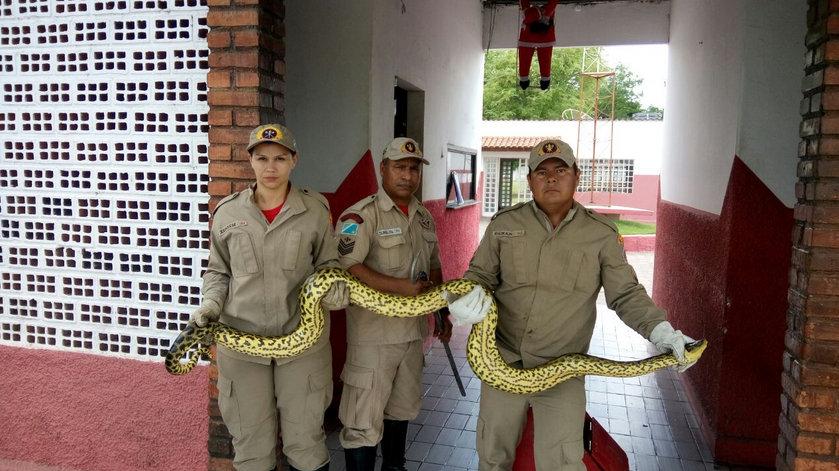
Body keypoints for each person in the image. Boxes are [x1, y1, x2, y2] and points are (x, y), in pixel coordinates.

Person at [447, 139, 696, 470]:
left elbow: (626, 294)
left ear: (576, 176)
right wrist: (464, 297)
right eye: (542, 171)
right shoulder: (505, 225)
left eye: (560, 170)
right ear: (530, 179)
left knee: (562, 461)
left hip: (562, 368)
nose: (551, 178)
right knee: (493, 455)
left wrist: (662, 332)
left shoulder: (601, 234)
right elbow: (478, 276)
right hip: (502, 360)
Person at [190, 123, 350, 471]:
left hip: (303, 346)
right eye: (261, 158)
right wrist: (210, 305)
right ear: (251, 161)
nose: (270, 167)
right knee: (251, 450)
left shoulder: (315, 210)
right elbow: (218, 272)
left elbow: (329, 265)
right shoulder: (228, 213)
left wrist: (336, 292)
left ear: (294, 160)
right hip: (242, 346)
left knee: (306, 445)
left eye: (280, 158)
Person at [335, 137, 452, 471]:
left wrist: (441, 312)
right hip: (373, 339)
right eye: (400, 167)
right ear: (382, 168)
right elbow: (348, 267)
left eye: (414, 168)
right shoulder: (358, 216)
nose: (408, 175)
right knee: (363, 424)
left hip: (412, 336)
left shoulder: (424, 218)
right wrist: (400, 287)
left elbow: (434, 267)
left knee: (402, 411)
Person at [517, 0, 559, 90]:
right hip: (545, 36)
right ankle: (544, 80)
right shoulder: (543, 13)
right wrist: (546, 15)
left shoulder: (527, 13)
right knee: (545, 58)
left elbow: (523, 3)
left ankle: (524, 79)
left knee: (525, 58)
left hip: (527, 36)